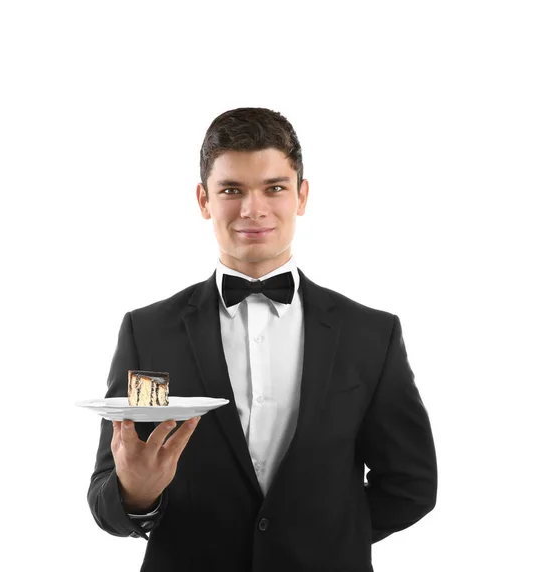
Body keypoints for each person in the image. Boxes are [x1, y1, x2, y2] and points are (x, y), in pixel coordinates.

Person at [87, 107, 438, 571]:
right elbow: (107, 498)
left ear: (301, 195)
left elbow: (412, 484)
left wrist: (322, 539)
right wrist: (137, 492)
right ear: (203, 200)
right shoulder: (149, 332)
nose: (253, 209)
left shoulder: (370, 334)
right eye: (232, 190)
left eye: (275, 187)